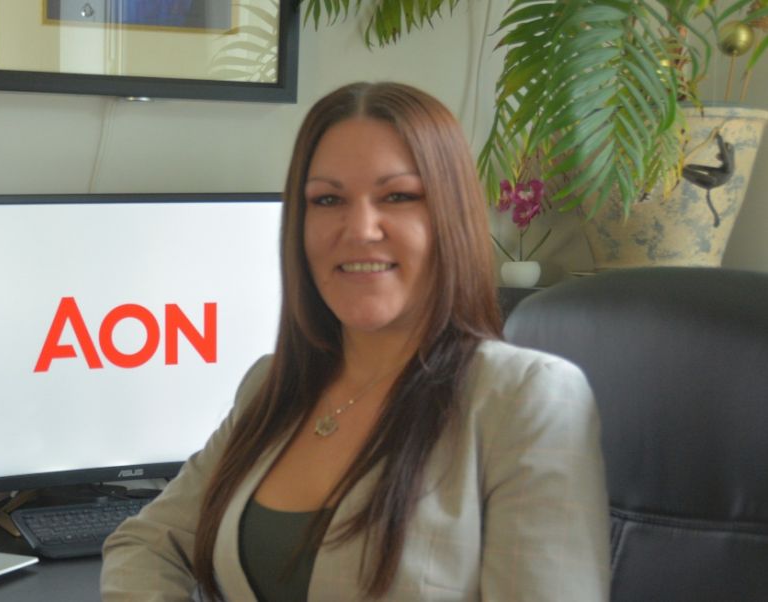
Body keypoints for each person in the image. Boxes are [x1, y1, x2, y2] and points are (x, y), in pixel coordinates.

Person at [101, 82, 610, 601]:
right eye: (327, 199)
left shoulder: (523, 397)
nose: (361, 228)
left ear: (448, 218)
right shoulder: (271, 388)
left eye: (398, 196)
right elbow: (147, 541)